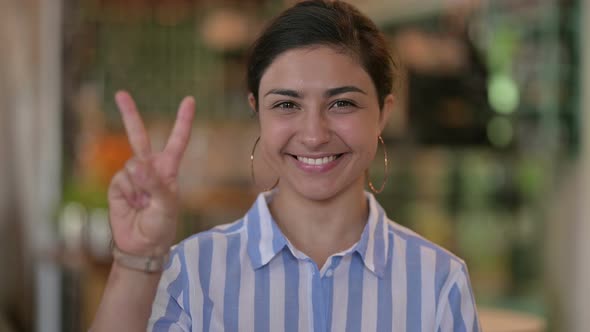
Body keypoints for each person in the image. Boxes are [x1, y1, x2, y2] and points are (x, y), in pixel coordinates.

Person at [91, 1, 480, 331]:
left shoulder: (438, 281)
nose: (313, 135)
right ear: (256, 111)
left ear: (383, 114)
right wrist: (135, 263)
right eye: (286, 105)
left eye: (342, 103)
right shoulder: (192, 273)